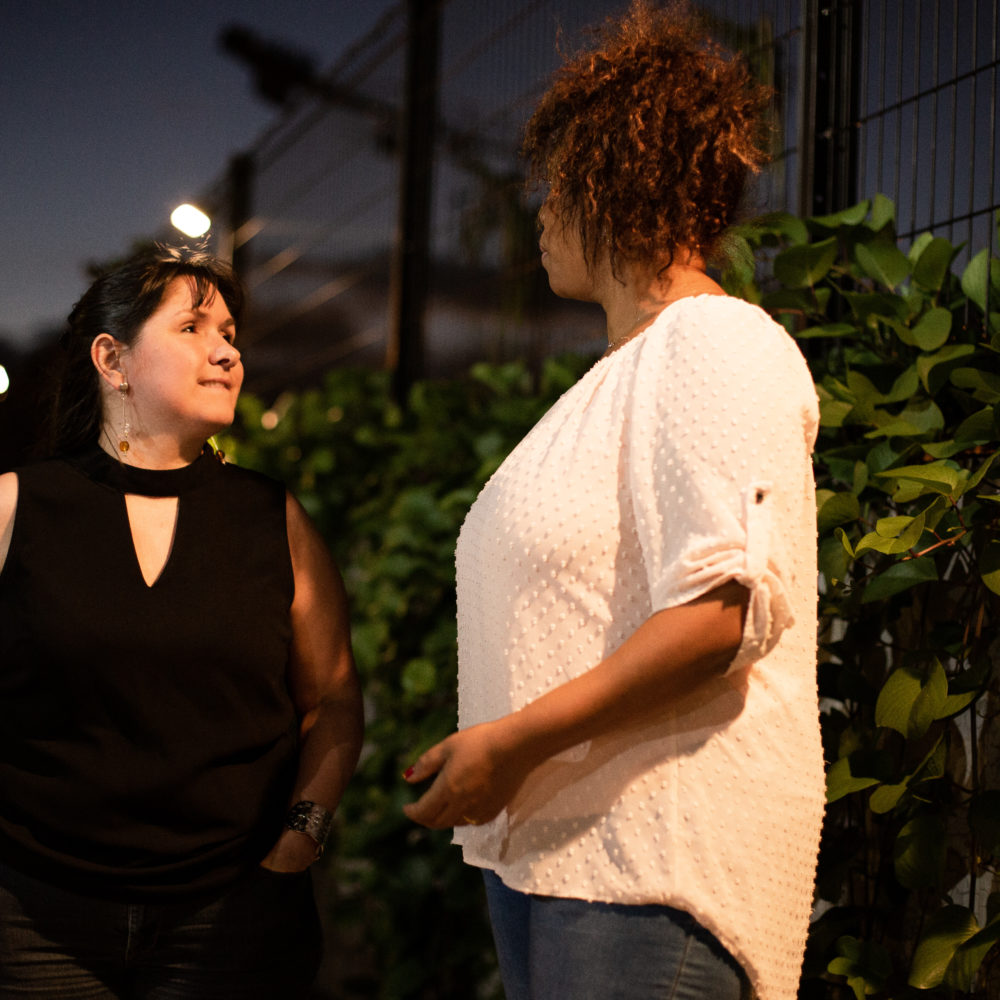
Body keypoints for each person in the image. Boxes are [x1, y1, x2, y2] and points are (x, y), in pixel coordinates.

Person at [403, 4, 824, 999]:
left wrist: (510, 745)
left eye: (557, 187)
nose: (540, 214)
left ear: (612, 184)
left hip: (653, 863)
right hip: (565, 861)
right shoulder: (619, 377)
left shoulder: (716, 341)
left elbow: (718, 611)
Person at [0, 246, 364, 998]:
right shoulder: (15, 507)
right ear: (113, 359)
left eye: (229, 334)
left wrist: (299, 842)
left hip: (231, 921)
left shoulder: (273, 518)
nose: (227, 352)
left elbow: (332, 699)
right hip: (35, 918)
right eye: (194, 328)